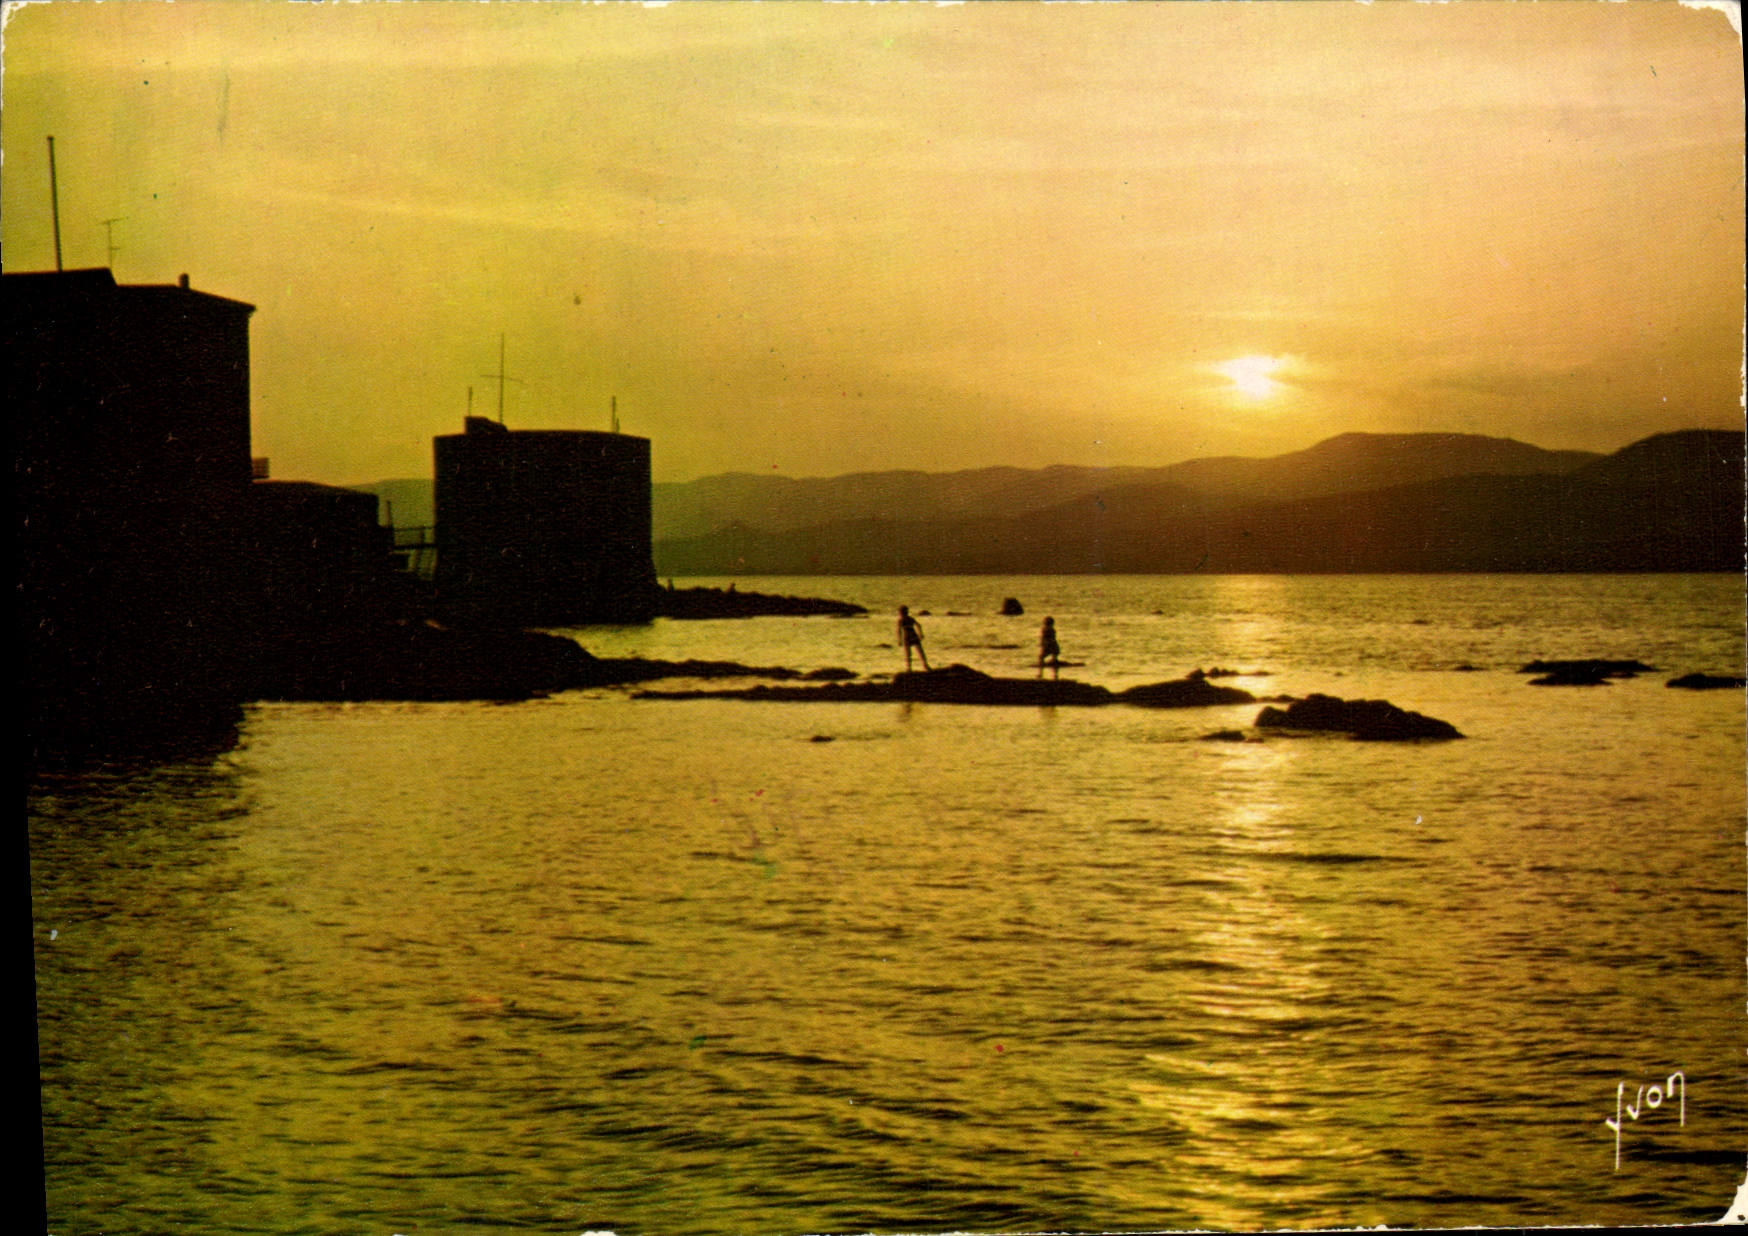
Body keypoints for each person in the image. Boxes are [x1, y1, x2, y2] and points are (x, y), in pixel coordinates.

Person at [897, 605, 930, 673]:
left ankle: (909, 668)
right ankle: (925, 665)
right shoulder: (910, 619)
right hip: (913, 635)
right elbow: (918, 625)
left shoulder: (901, 620)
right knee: (919, 652)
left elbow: (899, 631)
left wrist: (899, 640)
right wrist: (921, 634)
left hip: (907, 637)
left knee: (909, 653)